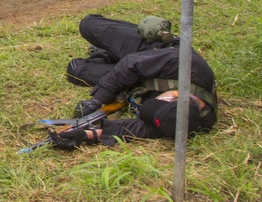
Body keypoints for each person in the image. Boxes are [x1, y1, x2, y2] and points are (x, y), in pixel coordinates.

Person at [48, 14, 218, 150]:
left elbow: (139, 129)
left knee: (75, 69)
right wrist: (97, 100)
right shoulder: (187, 64)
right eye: (158, 101)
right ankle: (112, 51)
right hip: (149, 52)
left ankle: (106, 55)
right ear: (176, 94)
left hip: (136, 81)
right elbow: (132, 63)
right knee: (88, 24)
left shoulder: (184, 123)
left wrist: (87, 135)